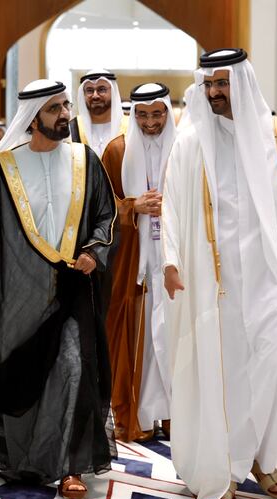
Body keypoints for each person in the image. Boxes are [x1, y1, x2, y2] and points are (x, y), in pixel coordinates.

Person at [162, 48, 277, 499]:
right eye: (210, 85)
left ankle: (264, 457)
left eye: (224, 83)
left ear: (243, 83)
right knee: (224, 375)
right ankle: (226, 466)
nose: (216, 92)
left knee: (274, 369)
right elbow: (173, 205)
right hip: (213, 285)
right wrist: (170, 261)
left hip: (272, 280)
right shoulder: (192, 142)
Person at [0, 79, 117, 499]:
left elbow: (105, 217)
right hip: (17, 293)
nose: (65, 114)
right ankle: (30, 457)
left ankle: (69, 466)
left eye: (65, 106)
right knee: (24, 375)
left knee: (73, 368)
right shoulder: (3, 167)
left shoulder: (86, 160)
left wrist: (95, 252)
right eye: (54, 109)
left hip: (73, 290)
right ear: (32, 118)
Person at [101, 83, 177, 443]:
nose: (150, 122)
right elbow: (99, 208)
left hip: (175, 260)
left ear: (168, 112)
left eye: (157, 113)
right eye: (142, 114)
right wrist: (133, 206)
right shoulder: (117, 151)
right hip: (133, 261)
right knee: (133, 334)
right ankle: (135, 415)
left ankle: (175, 416)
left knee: (175, 335)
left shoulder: (185, 148)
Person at [69, 68, 126, 157]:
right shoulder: (72, 128)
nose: (95, 96)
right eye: (90, 90)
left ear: (113, 91)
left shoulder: (129, 126)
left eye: (101, 89)